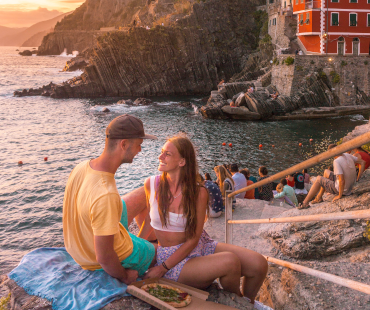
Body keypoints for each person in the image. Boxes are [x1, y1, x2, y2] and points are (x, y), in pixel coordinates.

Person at [143, 135, 269, 306]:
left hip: (199, 243)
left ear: (182, 161)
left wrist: (160, 268)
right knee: (230, 261)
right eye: (161, 152)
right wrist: (153, 259)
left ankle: (249, 301)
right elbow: (138, 215)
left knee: (259, 264)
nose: (160, 157)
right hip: (172, 258)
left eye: (167, 154)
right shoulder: (151, 184)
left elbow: (194, 238)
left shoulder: (199, 192)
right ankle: (240, 302)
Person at [63, 115, 157, 285]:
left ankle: (136, 238)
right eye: (138, 145)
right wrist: (124, 276)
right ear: (124, 144)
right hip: (96, 260)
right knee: (161, 252)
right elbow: (105, 257)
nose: (140, 151)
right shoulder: (105, 194)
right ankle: (144, 245)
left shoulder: (82, 167)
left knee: (144, 193)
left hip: (79, 249)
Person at [298, 144, 365, 209]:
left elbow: (342, 181)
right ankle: (319, 197)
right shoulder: (348, 155)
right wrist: (358, 178)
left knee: (318, 179)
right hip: (351, 185)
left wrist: (339, 195)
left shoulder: (337, 161)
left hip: (344, 190)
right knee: (326, 171)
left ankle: (305, 203)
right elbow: (362, 162)